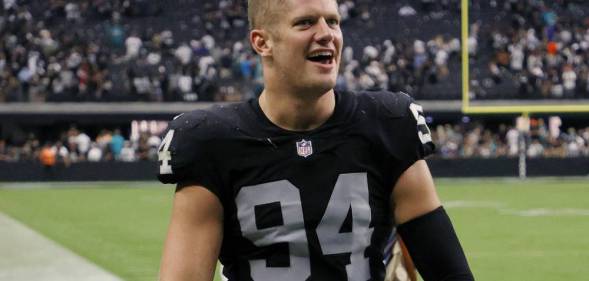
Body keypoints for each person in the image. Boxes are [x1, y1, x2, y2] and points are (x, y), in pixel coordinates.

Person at [157, 0, 474, 280]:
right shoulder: (212, 141)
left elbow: (449, 271)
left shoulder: (388, 125)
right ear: (262, 42)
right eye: (305, 22)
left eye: (333, 21)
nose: (327, 34)